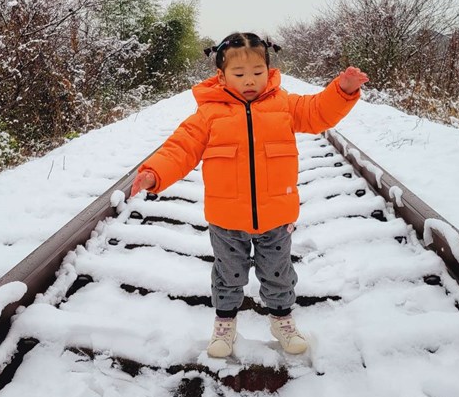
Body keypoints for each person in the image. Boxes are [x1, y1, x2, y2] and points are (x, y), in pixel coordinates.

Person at [130, 32, 368, 359]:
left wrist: (343, 90)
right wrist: (154, 173)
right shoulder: (209, 114)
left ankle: (282, 320)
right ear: (222, 76)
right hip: (226, 220)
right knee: (227, 275)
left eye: (257, 72)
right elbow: (180, 149)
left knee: (278, 273)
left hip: (276, 216)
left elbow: (317, 112)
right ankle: (225, 323)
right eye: (239, 74)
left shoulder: (284, 105)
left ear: (269, 70)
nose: (250, 80)